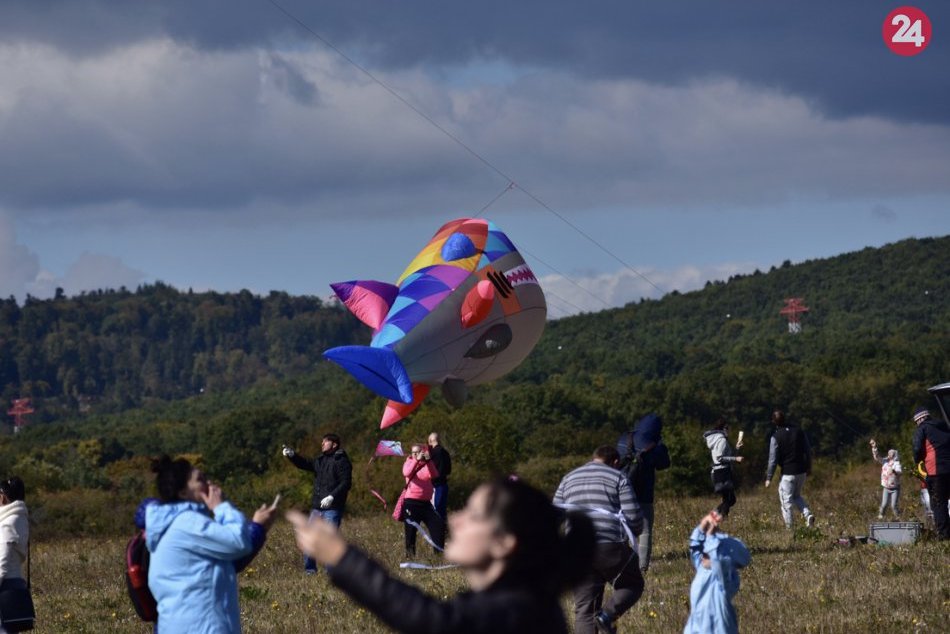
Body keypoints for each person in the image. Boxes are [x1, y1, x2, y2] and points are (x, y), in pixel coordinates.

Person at [286, 476, 595, 634]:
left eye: (474, 515)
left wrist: (341, 557)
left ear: (504, 543)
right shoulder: (522, 603)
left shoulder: (519, 611)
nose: (455, 520)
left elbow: (431, 621)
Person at [146, 456, 277, 633]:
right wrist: (221, 507)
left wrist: (258, 528)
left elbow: (228, 560)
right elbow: (238, 542)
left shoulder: (169, 525)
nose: (209, 484)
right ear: (183, 492)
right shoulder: (188, 523)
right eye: (200, 480)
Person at [554, 445, 644, 634]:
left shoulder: (568, 478)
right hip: (609, 545)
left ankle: (600, 619)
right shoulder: (618, 477)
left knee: (585, 610)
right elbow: (634, 517)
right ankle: (607, 616)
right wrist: (633, 533)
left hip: (577, 549)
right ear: (616, 462)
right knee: (632, 584)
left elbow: (554, 515)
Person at [282, 433, 353, 572]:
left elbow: (346, 483)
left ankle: (331, 572)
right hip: (317, 507)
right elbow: (305, 464)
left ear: (334, 444)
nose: (322, 444)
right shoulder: (320, 460)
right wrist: (292, 456)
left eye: (325, 442)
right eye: (322, 441)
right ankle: (310, 571)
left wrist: (332, 496)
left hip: (333, 508)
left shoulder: (342, 461)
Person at [683, 511, 751, 634]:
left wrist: (711, 536)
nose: (704, 554)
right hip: (695, 627)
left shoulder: (726, 579)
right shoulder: (702, 569)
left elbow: (719, 562)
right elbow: (695, 548)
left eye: (708, 552)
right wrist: (702, 527)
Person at [619, 413, 670, 572]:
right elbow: (664, 464)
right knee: (645, 530)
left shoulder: (625, 438)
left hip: (623, 491)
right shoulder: (654, 446)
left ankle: (621, 562)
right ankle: (642, 566)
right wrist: (661, 445)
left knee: (622, 527)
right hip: (644, 493)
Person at [764, 409, 815, 528]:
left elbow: (773, 459)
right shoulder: (799, 431)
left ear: (774, 422)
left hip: (788, 474)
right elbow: (808, 451)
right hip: (801, 471)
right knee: (796, 496)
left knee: (786, 502)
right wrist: (809, 466)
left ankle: (790, 528)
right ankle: (808, 515)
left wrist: (769, 477)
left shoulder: (776, 437)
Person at [911, 407, 950, 540]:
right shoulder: (944, 426)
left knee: (938, 504)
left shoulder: (922, 429)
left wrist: (917, 461)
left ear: (919, 419)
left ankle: (944, 535)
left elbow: (917, 449)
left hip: (935, 471)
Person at [401, 443, 445, 557]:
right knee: (411, 532)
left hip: (426, 504)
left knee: (438, 525)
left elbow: (434, 474)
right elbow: (407, 472)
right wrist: (416, 460)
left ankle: (438, 555)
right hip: (411, 503)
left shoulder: (426, 464)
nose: (416, 454)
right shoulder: (408, 462)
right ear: (411, 454)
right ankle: (410, 557)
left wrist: (429, 461)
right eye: (414, 453)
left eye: (418, 452)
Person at [0, 476, 30, 633]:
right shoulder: (20, 520)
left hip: (4, 586)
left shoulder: (7, 523)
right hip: (16, 583)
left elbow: (2, 562)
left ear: (3, 497)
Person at [704, 418, 744, 518]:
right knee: (730, 499)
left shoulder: (716, 439)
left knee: (728, 499)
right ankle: (716, 516)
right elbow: (720, 457)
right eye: (728, 428)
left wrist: (737, 448)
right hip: (722, 472)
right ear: (724, 428)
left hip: (719, 471)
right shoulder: (721, 440)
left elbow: (726, 455)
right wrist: (736, 459)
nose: (729, 430)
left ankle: (719, 517)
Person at [869, 439, 901, 519]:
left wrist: (894, 471)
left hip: (895, 488)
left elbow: (899, 471)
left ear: (894, 455)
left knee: (893, 505)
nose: (889, 454)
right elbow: (877, 457)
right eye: (889, 453)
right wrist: (874, 447)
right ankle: (881, 516)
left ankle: (898, 518)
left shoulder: (896, 463)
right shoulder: (885, 461)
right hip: (886, 488)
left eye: (891, 453)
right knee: (884, 504)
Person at [427, 432, 452, 520]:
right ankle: (443, 527)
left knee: (435, 510)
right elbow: (449, 470)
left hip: (434, 485)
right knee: (442, 510)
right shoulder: (446, 452)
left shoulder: (431, 454)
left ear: (430, 441)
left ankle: (437, 528)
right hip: (444, 484)